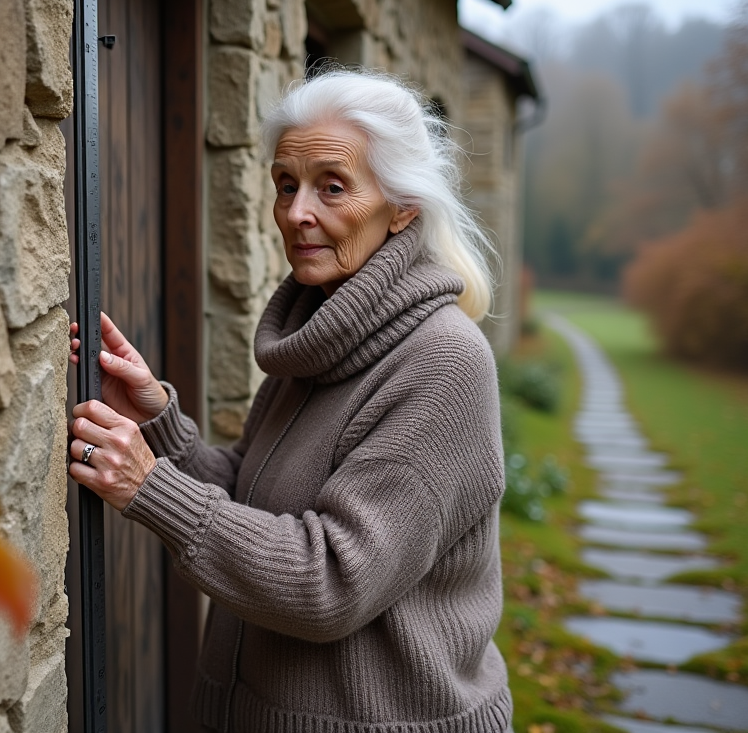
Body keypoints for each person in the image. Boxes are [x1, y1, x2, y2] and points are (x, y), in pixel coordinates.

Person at [68, 69, 511, 732]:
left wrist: (149, 486)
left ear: (402, 207)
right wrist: (157, 422)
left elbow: (332, 580)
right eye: (285, 184)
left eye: (332, 186)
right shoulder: (321, 332)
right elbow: (254, 495)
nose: (297, 212)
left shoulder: (442, 363)